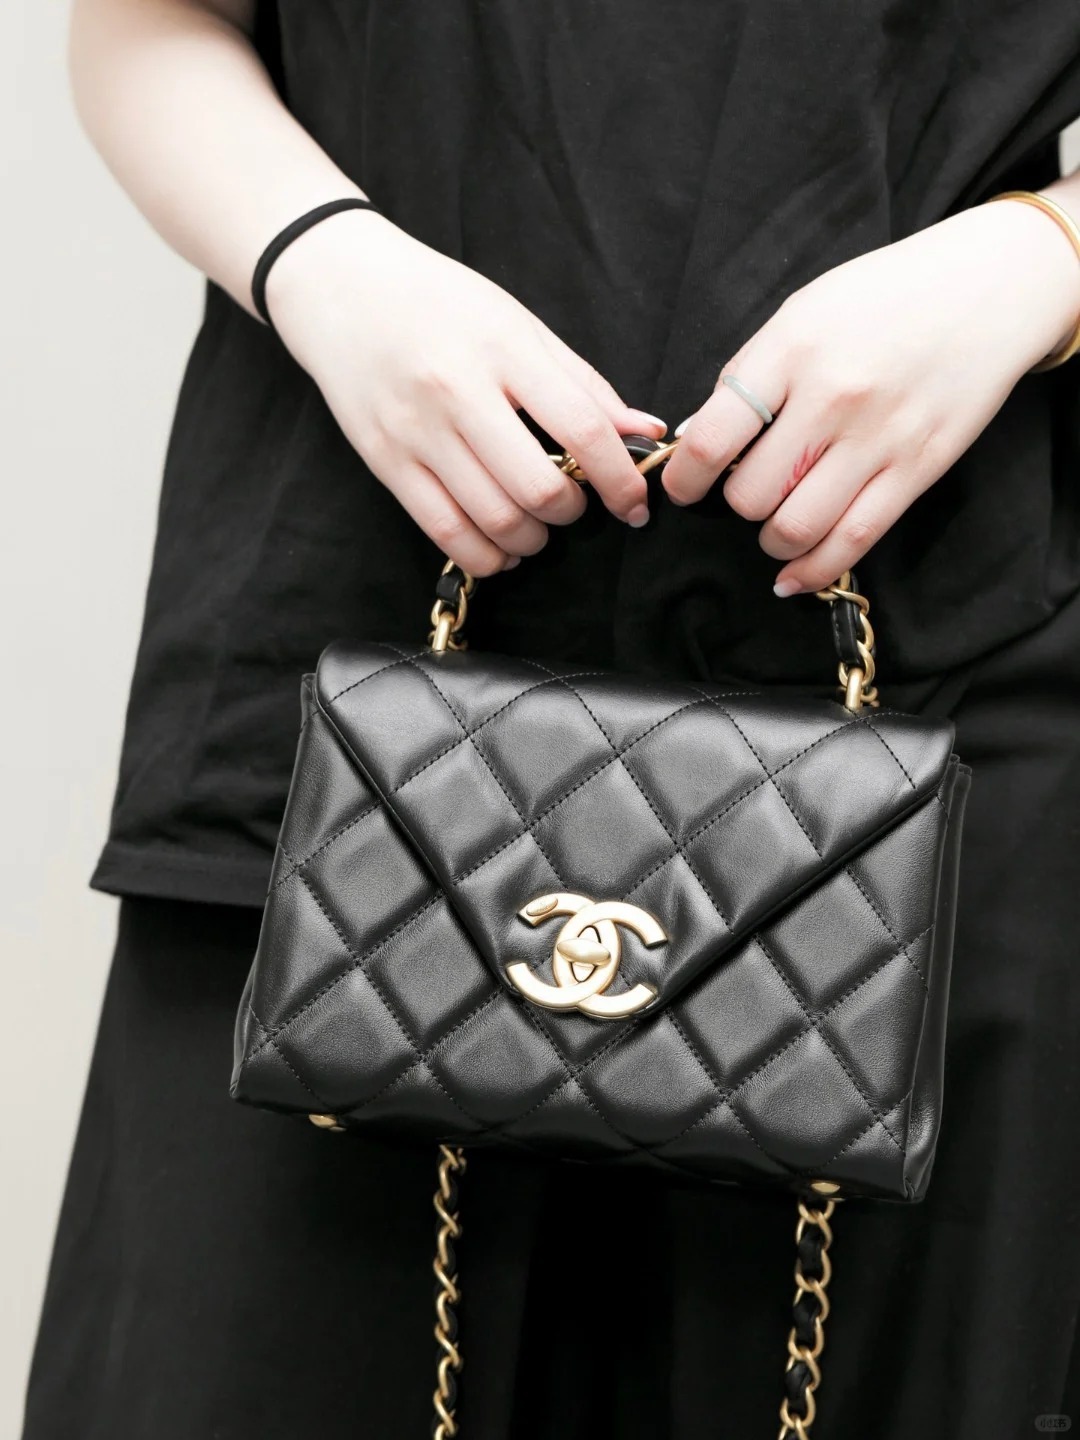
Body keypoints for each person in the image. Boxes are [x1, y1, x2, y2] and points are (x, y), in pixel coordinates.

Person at [22, 1, 1080, 1436]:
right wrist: (327, 267)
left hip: (930, 749)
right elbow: (145, 24)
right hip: (344, 716)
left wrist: (1036, 263)